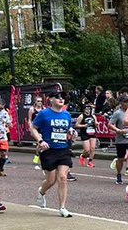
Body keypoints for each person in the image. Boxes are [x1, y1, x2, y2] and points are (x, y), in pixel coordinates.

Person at [31, 88, 75, 217]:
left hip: (63, 149)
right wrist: (40, 140)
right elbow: (33, 127)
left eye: (62, 97)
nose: (61, 99)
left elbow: (69, 128)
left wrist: (72, 132)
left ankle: (62, 207)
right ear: (50, 99)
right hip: (49, 150)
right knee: (50, 180)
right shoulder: (44, 114)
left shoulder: (66, 114)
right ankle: (41, 191)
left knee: (62, 177)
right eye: (57, 97)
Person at [108, 92, 128, 185]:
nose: (127, 103)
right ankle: (119, 175)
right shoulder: (118, 113)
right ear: (121, 103)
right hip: (121, 139)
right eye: (125, 102)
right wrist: (118, 130)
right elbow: (110, 124)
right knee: (121, 158)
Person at [75, 90, 98, 167]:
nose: (88, 110)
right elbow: (76, 125)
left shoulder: (93, 116)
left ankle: (90, 161)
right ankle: (82, 155)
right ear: (84, 109)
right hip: (84, 132)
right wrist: (83, 126)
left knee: (93, 148)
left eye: (89, 109)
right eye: (87, 109)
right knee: (87, 149)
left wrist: (96, 124)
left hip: (92, 132)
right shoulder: (81, 116)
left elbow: (96, 125)